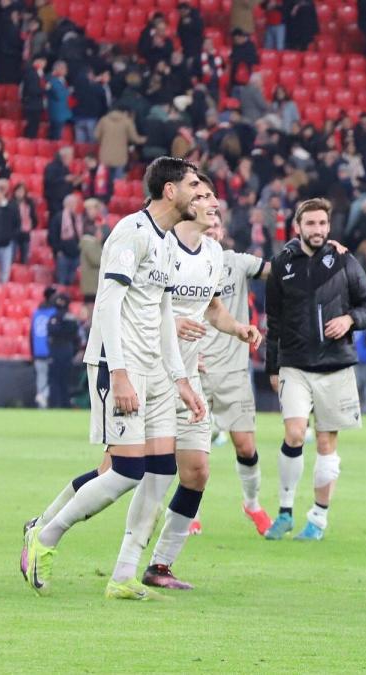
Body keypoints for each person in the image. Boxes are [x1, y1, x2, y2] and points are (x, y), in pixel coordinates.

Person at [21, 156, 207, 601]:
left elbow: (163, 313)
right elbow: (107, 304)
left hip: (157, 372)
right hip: (118, 365)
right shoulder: (131, 232)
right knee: (126, 470)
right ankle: (45, 535)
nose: (199, 194)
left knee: (161, 471)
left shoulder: (164, 242)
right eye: (193, 186)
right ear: (169, 191)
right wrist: (119, 373)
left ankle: (124, 575)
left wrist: (178, 376)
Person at [138, 179, 262, 589]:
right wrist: (170, 323)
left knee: (197, 472)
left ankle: (159, 566)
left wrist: (237, 328)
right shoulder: (158, 247)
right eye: (205, 195)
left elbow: (213, 310)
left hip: (187, 379)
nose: (214, 203)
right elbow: (133, 308)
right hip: (151, 374)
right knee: (119, 473)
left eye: (213, 197)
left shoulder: (213, 255)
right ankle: (50, 526)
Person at [264, 198, 366, 541]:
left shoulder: (344, 260)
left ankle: (318, 519)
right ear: (297, 226)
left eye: (322, 224)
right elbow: (274, 320)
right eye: (310, 223)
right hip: (294, 364)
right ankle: (285, 511)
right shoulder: (282, 263)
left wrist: (349, 319)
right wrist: (273, 367)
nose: (317, 230)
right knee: (296, 433)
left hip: (336, 365)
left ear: (329, 227)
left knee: (327, 445)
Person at [198, 216, 274, 535]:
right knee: (193, 452)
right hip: (193, 369)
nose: (212, 232)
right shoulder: (181, 265)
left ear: (223, 232)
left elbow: (276, 269)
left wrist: (318, 250)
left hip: (232, 370)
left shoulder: (238, 263)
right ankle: (191, 513)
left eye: (216, 227)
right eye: (206, 227)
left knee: (245, 445)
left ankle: (252, 503)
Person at [46, 293, 80, 409]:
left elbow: (52, 330)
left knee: (55, 378)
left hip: (58, 349)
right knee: (65, 378)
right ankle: (64, 403)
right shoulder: (71, 317)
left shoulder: (55, 317)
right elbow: (76, 336)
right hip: (67, 349)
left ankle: (56, 404)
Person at [30, 288, 59, 408]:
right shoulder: (54, 313)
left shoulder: (36, 313)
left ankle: (42, 405)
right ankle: (43, 397)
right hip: (49, 350)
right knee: (52, 378)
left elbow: (31, 334)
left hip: (37, 350)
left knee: (40, 378)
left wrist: (32, 352)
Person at [48, 193, 84, 286]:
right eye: (73, 204)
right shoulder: (58, 217)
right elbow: (52, 236)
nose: (74, 206)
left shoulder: (78, 218)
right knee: (62, 281)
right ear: (67, 204)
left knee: (71, 281)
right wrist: (58, 250)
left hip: (76, 254)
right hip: (63, 255)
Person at [45, 60, 72, 141]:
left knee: (57, 135)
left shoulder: (62, 80)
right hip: (56, 113)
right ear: (57, 69)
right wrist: (68, 91)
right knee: (55, 136)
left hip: (62, 113)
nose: (66, 70)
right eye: (63, 68)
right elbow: (59, 95)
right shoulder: (53, 80)